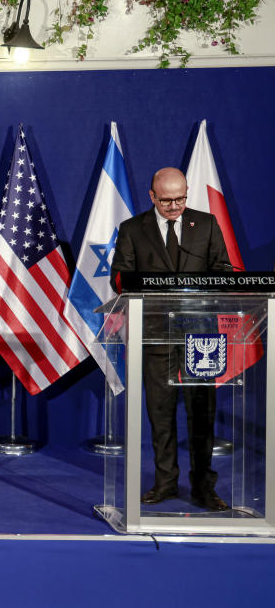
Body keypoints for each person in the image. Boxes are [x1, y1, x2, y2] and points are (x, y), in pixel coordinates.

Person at [110, 166, 231, 511]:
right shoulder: (133, 229)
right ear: (152, 197)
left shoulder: (205, 224)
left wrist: (199, 288)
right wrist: (147, 287)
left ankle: (204, 486)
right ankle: (165, 483)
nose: (175, 206)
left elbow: (222, 270)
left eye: (180, 198)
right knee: (160, 412)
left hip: (200, 335)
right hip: (156, 332)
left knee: (201, 412)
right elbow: (119, 278)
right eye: (167, 201)